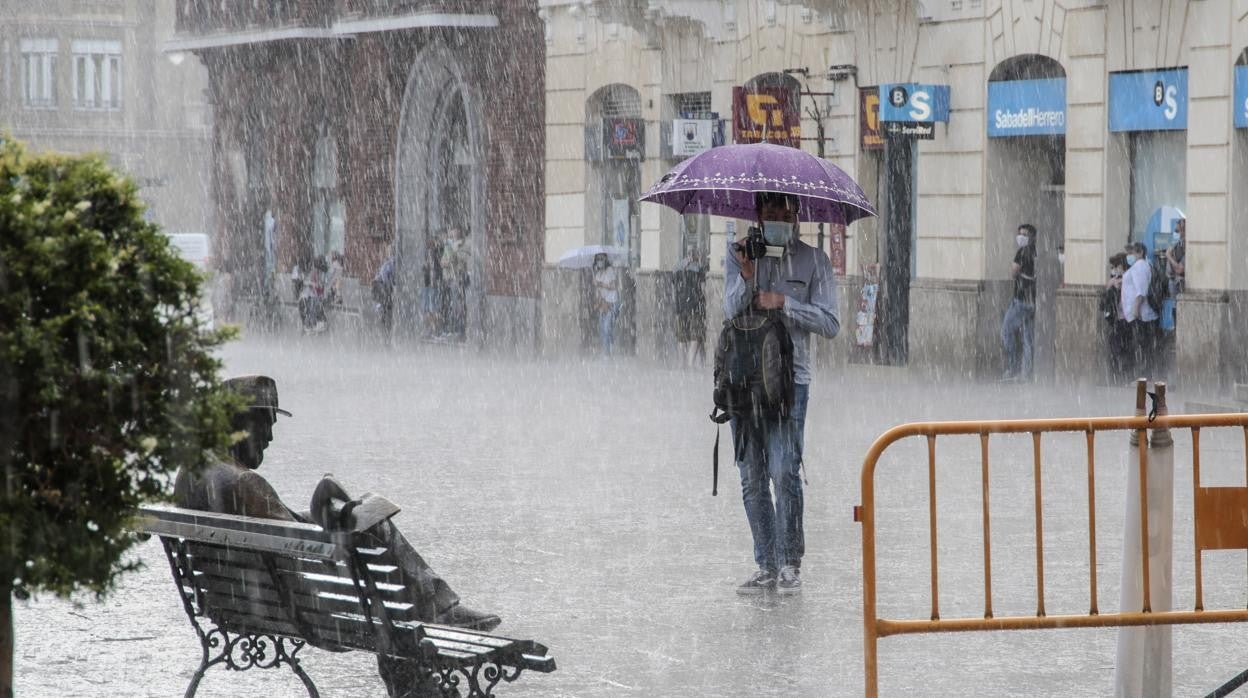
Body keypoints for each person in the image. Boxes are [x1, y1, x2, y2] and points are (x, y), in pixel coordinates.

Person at [173, 375, 499, 697]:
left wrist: (324, 514)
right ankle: (438, 612)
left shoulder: (192, 473)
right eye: (265, 425)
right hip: (307, 612)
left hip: (231, 603)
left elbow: (281, 528)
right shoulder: (245, 483)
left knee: (381, 583)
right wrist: (333, 510)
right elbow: (307, 544)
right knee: (375, 532)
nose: (271, 437)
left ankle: (425, 636)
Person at [724, 191, 839, 596]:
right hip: (742, 382)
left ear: (796, 214)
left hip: (790, 383)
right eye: (768, 211)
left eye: (783, 211)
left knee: (783, 471)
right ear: (756, 213)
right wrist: (748, 277)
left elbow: (830, 322)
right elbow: (729, 310)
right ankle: (766, 565)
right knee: (752, 478)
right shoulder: (739, 254)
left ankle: (790, 563)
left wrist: (784, 302)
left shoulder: (815, 261)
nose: (775, 217)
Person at [1000, 224, 1037, 382]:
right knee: (1028, 339)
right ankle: (1026, 374)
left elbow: (1014, 271)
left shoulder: (1022, 252)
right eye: (1020, 233)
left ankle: (1013, 368)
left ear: (1031, 237)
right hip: (1032, 301)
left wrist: (1016, 272)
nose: (1021, 236)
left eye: (1025, 234)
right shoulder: (1035, 252)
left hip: (1021, 300)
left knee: (1006, 331)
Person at [1121, 241, 1159, 379]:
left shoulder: (1140, 266)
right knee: (1142, 346)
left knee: (1141, 346)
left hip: (1141, 315)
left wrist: (1135, 309)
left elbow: (1141, 291)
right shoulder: (1139, 266)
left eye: (1132, 252)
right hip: (1139, 315)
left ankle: (1143, 375)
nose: (1129, 256)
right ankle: (1142, 374)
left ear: (1140, 252)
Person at [673, 244, 706, 367]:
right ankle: (690, 363)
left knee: (681, 337)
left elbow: (674, 288)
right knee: (695, 335)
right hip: (694, 306)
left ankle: (682, 364)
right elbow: (703, 289)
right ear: (696, 255)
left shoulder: (677, 267)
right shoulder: (699, 268)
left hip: (680, 306)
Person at [1100, 253, 1130, 382]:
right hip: (1116, 318)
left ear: (1121, 266)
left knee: (1121, 348)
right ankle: (1116, 374)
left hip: (1124, 318)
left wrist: (1116, 285)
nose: (1113, 269)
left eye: (1115, 266)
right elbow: (1105, 301)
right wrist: (1110, 286)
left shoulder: (1127, 277)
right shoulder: (1115, 279)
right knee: (1115, 348)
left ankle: (1120, 374)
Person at [440, 228, 470, 340]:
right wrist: (445, 261)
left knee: (459, 306)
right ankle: (452, 329)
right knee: (451, 306)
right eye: (452, 231)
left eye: (456, 231)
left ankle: (460, 331)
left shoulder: (462, 245)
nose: (453, 233)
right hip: (449, 279)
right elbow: (443, 261)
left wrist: (448, 249)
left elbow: (455, 260)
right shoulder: (449, 246)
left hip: (457, 279)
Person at [592, 253, 620, 356]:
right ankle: (607, 351)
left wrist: (600, 284)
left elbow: (613, 286)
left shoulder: (610, 271)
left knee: (607, 328)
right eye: (598, 259)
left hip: (612, 303)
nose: (600, 261)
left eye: (601, 258)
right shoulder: (597, 275)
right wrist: (598, 304)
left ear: (605, 259)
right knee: (602, 330)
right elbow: (599, 294)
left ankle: (608, 353)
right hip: (604, 305)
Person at [372, 245, 396, 331]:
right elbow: (384, 274)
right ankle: (381, 310)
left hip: (381, 285)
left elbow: (384, 274)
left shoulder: (390, 261)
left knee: (381, 299)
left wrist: (387, 284)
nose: (387, 252)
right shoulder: (390, 261)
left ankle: (380, 310)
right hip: (383, 285)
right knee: (383, 299)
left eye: (388, 251)